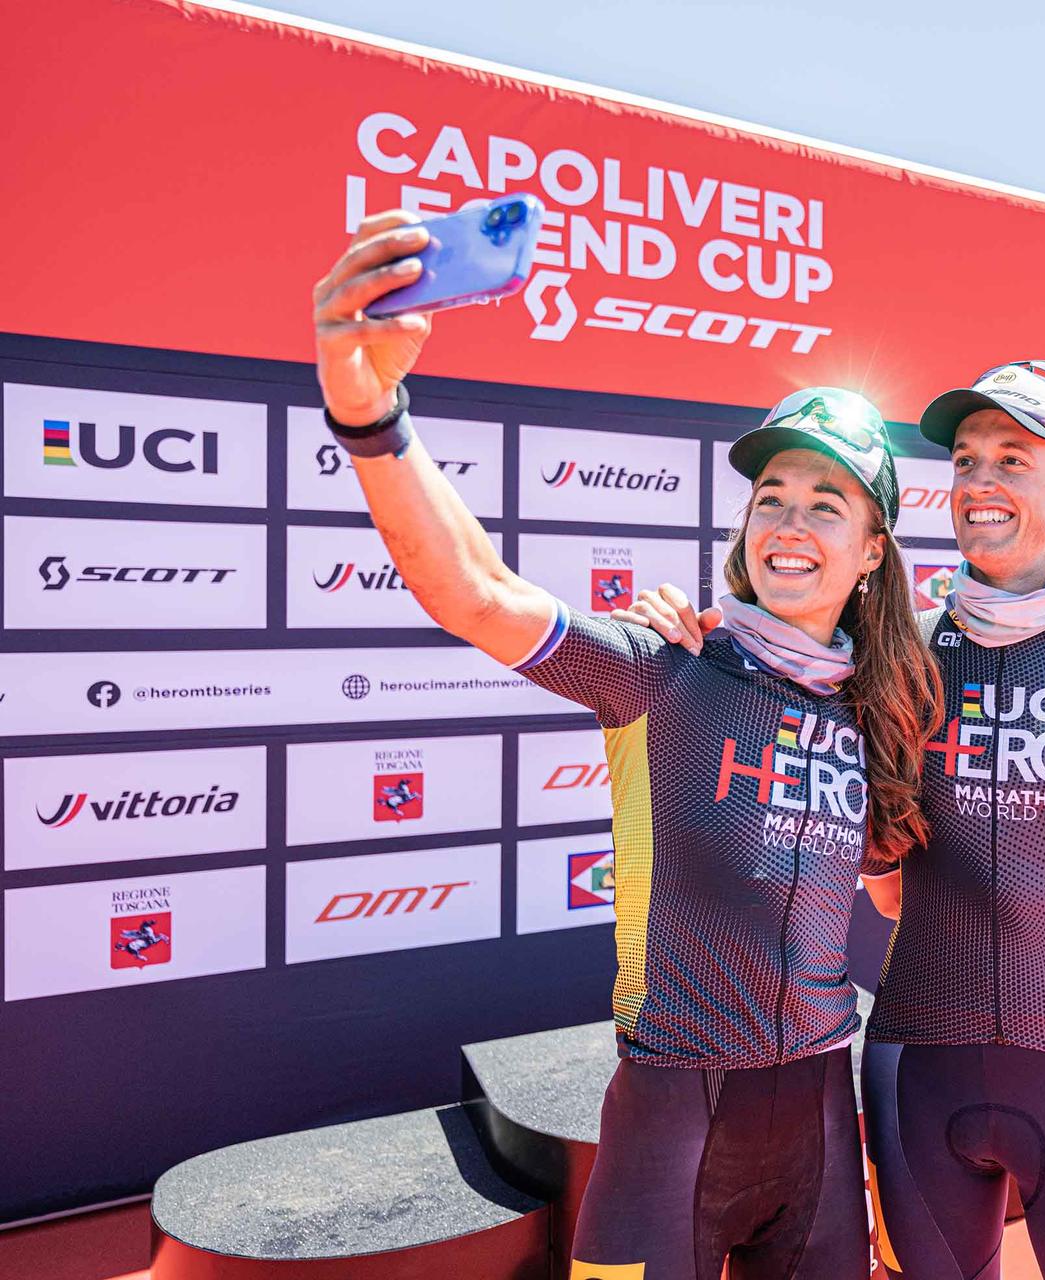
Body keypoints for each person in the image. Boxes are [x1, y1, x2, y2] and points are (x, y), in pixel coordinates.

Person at [310, 209, 942, 1280]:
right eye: (772, 499)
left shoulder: (876, 708)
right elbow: (475, 593)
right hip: (668, 1124)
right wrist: (373, 416)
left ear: (873, 550)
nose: (789, 523)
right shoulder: (663, 666)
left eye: (827, 504)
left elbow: (893, 890)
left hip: (823, 1125)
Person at [620, 360, 1045, 1279]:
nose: (981, 481)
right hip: (917, 1070)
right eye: (966, 460)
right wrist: (675, 627)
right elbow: (874, 867)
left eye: (1013, 459)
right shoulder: (895, 653)